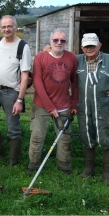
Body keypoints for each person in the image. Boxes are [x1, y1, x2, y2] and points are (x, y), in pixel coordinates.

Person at [0, 15, 31, 167]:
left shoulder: (23, 46)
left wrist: (20, 100)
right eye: (3, 27)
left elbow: (25, 75)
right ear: (0, 28)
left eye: (9, 26)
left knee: (13, 128)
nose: (6, 29)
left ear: (16, 27)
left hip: (11, 93)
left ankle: (13, 161)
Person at [27, 29, 78, 174]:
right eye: (56, 40)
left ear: (66, 42)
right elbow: (37, 82)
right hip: (42, 105)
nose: (59, 43)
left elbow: (75, 83)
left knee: (65, 138)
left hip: (64, 105)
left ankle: (64, 166)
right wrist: (50, 107)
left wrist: (74, 104)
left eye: (62, 40)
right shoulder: (40, 57)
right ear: (50, 41)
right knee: (37, 136)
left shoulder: (71, 58)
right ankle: (33, 164)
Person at [76, 33, 109, 185]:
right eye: (86, 46)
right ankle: (89, 168)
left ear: (99, 45)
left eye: (92, 45)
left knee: (105, 137)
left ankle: (107, 172)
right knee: (86, 135)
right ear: (82, 47)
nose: (89, 48)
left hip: (104, 107)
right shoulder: (77, 61)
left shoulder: (108, 60)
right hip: (84, 107)